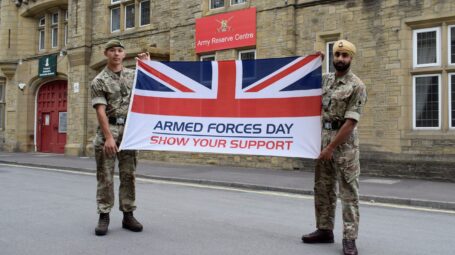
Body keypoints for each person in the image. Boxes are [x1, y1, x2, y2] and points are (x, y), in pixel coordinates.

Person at [301, 40, 367, 255]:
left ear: (351, 58)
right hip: (323, 140)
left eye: (344, 55)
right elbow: (299, 87)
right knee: (323, 187)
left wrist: (331, 148)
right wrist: (312, 64)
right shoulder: (325, 80)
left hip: (344, 145)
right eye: (337, 54)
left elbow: (350, 123)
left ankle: (349, 239)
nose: (340, 59)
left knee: (349, 193)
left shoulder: (357, 85)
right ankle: (324, 230)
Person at [91, 39, 150, 236]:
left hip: (129, 131)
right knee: (105, 176)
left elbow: (151, 84)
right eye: (112, 51)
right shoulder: (99, 80)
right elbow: (100, 111)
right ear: (105, 53)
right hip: (109, 129)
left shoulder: (133, 75)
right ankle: (104, 215)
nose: (116, 54)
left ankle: (128, 214)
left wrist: (148, 65)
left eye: (119, 50)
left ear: (124, 54)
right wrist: (108, 137)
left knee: (128, 175)